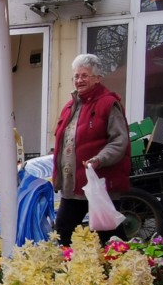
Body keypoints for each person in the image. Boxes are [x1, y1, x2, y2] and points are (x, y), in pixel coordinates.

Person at [51, 54, 131, 246]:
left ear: (97, 78)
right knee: (63, 233)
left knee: (111, 237)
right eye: (76, 76)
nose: (79, 80)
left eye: (84, 76)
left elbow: (120, 141)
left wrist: (99, 159)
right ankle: (67, 273)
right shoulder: (70, 106)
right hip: (73, 186)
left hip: (100, 185)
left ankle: (125, 271)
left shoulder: (108, 104)